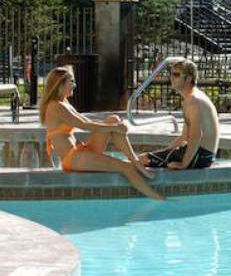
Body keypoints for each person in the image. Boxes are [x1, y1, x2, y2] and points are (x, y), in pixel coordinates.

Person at [39, 65, 164, 201]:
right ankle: (159, 200)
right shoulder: (56, 106)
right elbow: (84, 125)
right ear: (60, 84)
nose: (75, 85)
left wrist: (113, 125)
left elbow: (86, 120)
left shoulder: (64, 102)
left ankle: (135, 160)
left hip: (80, 151)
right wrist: (115, 128)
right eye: (72, 81)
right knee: (126, 167)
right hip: (72, 159)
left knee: (112, 119)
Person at [138, 58, 220, 170]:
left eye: (176, 74)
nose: (171, 78)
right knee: (142, 158)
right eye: (171, 74)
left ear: (189, 78)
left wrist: (184, 164)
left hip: (201, 156)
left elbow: (196, 136)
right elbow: (185, 136)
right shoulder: (190, 99)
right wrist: (166, 151)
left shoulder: (193, 101)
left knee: (140, 161)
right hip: (203, 155)